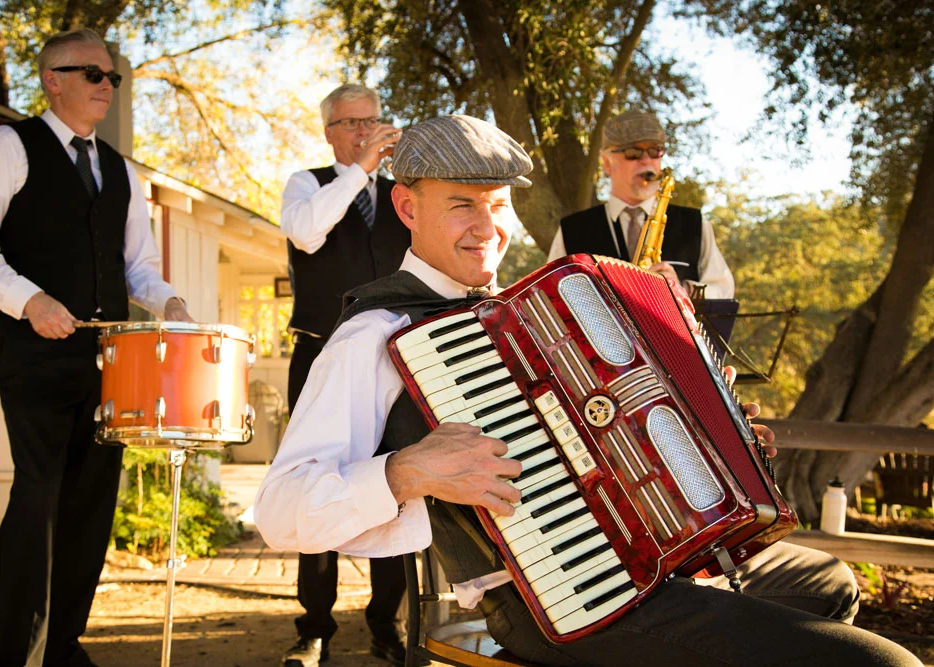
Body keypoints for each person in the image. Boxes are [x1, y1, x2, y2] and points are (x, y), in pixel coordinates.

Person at [255, 114, 921, 667]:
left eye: (497, 205)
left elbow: (609, 439)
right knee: (886, 664)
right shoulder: (377, 332)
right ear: (406, 205)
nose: (487, 227)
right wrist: (403, 471)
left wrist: (717, 449)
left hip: (651, 561)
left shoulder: (534, 315)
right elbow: (279, 511)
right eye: (462, 204)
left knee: (826, 584)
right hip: (558, 597)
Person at [0, 29, 192, 667]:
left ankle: (63, 644)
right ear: (53, 80)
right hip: (33, 359)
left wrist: (167, 302)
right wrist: (29, 299)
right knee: (39, 492)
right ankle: (17, 646)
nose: (106, 85)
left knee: (91, 500)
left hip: (108, 362)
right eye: (91, 74)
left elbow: (139, 267)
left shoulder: (119, 169)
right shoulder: (8, 146)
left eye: (111, 76)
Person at [277, 83, 412, 667]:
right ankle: (315, 628)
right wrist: (357, 173)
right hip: (318, 357)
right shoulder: (308, 184)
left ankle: (386, 622)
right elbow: (306, 232)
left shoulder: (404, 193)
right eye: (352, 121)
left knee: (393, 484)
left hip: (392, 360)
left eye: (373, 120)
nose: (365, 131)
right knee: (315, 483)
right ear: (329, 130)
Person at [549, 110, 734, 300]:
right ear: (606, 162)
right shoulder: (572, 230)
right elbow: (551, 296)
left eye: (655, 151)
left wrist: (683, 289)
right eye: (633, 152)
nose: (646, 161)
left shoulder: (695, 224)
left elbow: (724, 290)